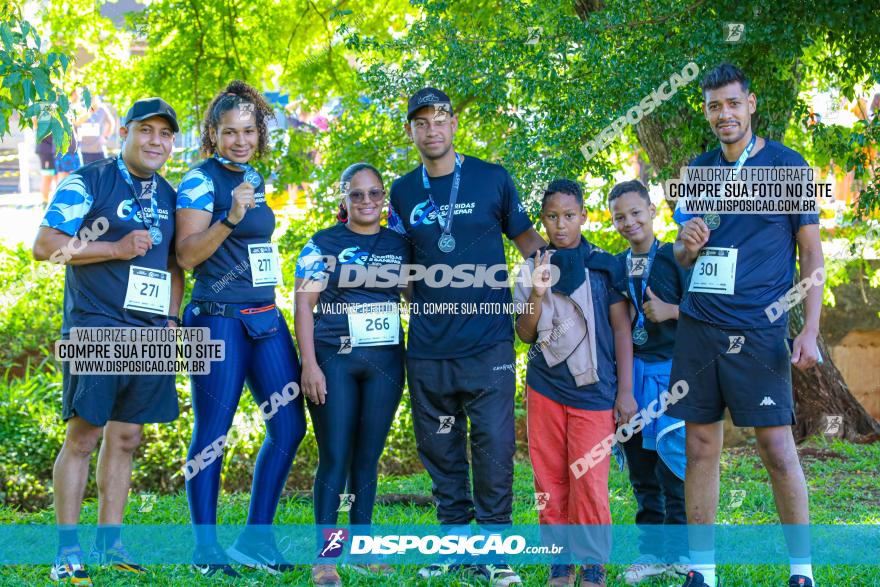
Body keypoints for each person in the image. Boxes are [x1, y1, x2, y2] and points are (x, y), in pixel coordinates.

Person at [668, 63, 824, 587]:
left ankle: (801, 572)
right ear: (707, 112)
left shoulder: (787, 166)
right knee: (699, 446)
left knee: (777, 448)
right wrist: (684, 249)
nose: (724, 114)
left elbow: (811, 253)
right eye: (715, 106)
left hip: (759, 330)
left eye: (733, 103)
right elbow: (681, 256)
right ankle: (702, 571)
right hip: (699, 326)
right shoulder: (698, 170)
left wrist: (809, 330)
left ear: (750, 104)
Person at [387, 87, 545, 586]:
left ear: (454, 125)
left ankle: (497, 553)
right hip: (430, 346)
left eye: (440, 120)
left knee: (495, 447)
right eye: (421, 122)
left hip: (489, 342)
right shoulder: (401, 191)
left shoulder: (492, 178)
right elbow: (399, 266)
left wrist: (538, 298)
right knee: (440, 448)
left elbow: (531, 247)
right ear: (411, 131)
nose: (431, 130)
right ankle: (453, 545)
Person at [33, 97, 183, 586]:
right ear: (126, 132)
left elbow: (174, 265)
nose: (156, 141)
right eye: (147, 131)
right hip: (95, 326)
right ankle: (66, 551)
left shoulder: (168, 193)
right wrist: (114, 248)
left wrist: (172, 318)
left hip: (149, 332)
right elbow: (47, 247)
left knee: (127, 436)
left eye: (165, 134)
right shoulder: (88, 181)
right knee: (84, 435)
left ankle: (111, 544)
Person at [175, 80, 306, 577]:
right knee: (212, 432)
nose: (240, 140)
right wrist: (229, 218)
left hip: (264, 317)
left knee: (290, 425)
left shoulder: (256, 177)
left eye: (249, 131)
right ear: (213, 132)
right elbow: (186, 255)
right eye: (230, 132)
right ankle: (206, 550)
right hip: (216, 319)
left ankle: (255, 538)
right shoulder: (199, 181)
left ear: (260, 133)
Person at [514, 179, 636, 587]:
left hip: (595, 390)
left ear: (584, 216)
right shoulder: (532, 267)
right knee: (548, 476)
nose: (561, 225)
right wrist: (536, 292)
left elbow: (621, 330)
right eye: (552, 217)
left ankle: (593, 565)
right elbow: (526, 334)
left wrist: (625, 392)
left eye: (569, 216)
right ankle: (560, 563)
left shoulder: (604, 265)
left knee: (590, 478)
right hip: (545, 388)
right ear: (542, 220)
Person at [294, 162, 411, 587]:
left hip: (385, 363)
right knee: (336, 457)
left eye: (374, 193)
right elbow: (304, 306)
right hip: (334, 359)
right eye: (357, 194)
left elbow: (419, 294)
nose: (366, 201)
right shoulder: (323, 243)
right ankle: (325, 558)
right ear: (343, 198)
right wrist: (309, 365)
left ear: (384, 199)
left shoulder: (400, 244)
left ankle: (362, 547)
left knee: (367, 458)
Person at [608, 179, 689, 584]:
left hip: (673, 376)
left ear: (653, 211)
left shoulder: (676, 256)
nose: (629, 222)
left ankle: (680, 554)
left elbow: (707, 307)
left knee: (674, 468)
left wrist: (671, 310)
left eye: (636, 213)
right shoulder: (616, 265)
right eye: (619, 217)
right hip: (632, 377)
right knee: (642, 471)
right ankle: (651, 553)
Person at [75, 95, 116, 165]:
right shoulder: (80, 108)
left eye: (94, 97)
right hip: (83, 149)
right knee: (86, 174)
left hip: (99, 149)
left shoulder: (102, 108)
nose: (92, 99)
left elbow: (112, 123)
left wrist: (106, 137)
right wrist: (88, 113)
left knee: (103, 173)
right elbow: (76, 123)